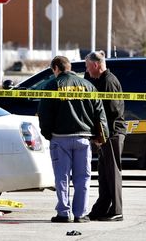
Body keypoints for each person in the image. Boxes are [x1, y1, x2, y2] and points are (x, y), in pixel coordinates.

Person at [38, 55, 108, 223]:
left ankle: (63, 213)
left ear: (56, 68)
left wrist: (48, 134)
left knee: (62, 177)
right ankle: (80, 214)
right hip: (84, 139)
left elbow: (44, 114)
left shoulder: (52, 85)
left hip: (60, 139)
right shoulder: (88, 86)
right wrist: (101, 135)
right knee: (83, 178)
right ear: (69, 67)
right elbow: (99, 113)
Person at [85, 50, 126, 221]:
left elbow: (112, 111)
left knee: (113, 172)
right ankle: (101, 209)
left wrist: (101, 135)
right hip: (105, 134)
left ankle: (116, 211)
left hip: (112, 133)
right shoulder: (101, 81)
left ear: (96, 64)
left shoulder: (108, 81)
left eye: (87, 66)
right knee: (104, 173)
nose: (86, 70)